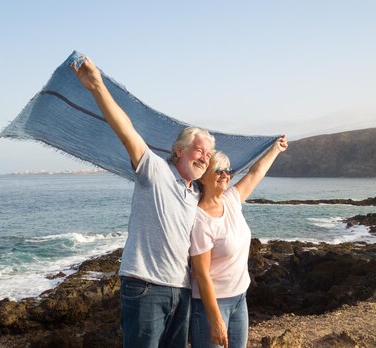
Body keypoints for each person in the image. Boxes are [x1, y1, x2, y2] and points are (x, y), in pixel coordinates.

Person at [72, 57, 215, 347]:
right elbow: (126, 132)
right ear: (178, 150)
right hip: (146, 287)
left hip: (182, 289)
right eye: (199, 151)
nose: (204, 158)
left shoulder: (196, 193)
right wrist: (97, 86)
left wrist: (271, 152)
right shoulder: (155, 171)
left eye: (208, 156)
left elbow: (234, 191)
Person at [189, 136, 288, 348]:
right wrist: (215, 319)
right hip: (212, 306)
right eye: (218, 170)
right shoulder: (200, 219)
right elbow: (201, 274)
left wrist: (275, 150)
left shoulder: (231, 200)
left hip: (239, 299)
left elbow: (255, 173)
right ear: (203, 177)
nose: (225, 175)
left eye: (228, 170)